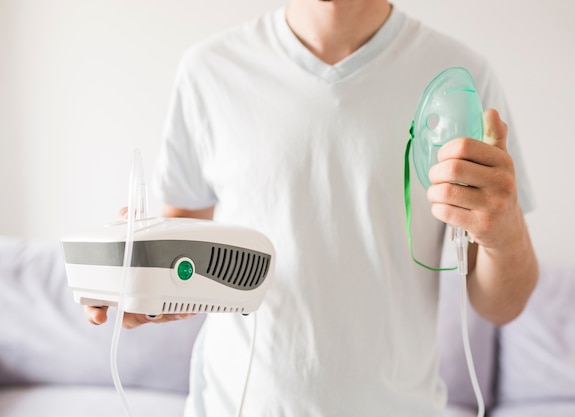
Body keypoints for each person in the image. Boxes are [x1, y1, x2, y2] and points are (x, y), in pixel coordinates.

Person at [86, 0, 538, 415]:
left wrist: (505, 233)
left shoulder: (461, 77)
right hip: (238, 404)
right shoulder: (209, 70)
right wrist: (139, 279)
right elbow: (183, 249)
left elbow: (501, 306)